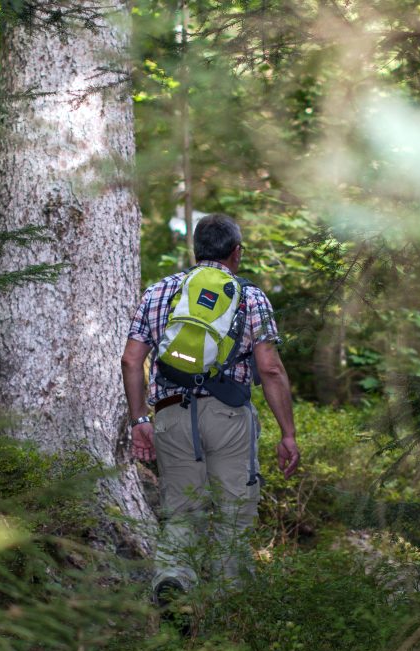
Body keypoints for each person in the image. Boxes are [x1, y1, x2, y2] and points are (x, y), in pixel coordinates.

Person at [120, 213, 299, 604]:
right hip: (229, 416)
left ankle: (173, 582)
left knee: (182, 511)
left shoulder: (159, 291)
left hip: (169, 415)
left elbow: (132, 360)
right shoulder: (250, 296)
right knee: (234, 511)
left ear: (195, 250)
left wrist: (139, 421)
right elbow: (269, 368)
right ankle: (228, 605)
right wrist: (287, 434)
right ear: (237, 253)